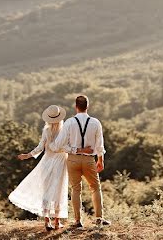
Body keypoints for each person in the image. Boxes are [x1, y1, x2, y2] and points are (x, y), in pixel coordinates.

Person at [51, 95, 111, 228]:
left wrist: (74, 149)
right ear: (87, 106)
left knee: (76, 189)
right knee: (95, 188)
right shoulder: (96, 122)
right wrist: (100, 160)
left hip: (72, 160)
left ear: (76, 106)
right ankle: (99, 219)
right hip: (89, 160)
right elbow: (100, 145)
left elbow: (58, 145)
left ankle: (78, 221)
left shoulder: (69, 122)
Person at [8, 104, 70, 231]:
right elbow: (68, 147)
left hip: (46, 161)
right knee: (59, 191)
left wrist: (28, 155)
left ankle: (47, 221)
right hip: (61, 162)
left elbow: (40, 147)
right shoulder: (65, 131)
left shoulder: (46, 131)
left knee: (46, 190)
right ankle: (57, 222)